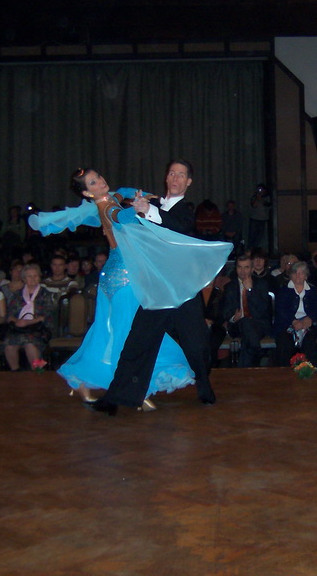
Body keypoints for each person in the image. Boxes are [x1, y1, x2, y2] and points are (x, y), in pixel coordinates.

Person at [32, 166, 229, 409]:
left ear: (189, 181)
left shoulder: (124, 200)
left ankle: (119, 388)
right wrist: (139, 208)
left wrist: (143, 197)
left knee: (142, 335)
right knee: (131, 336)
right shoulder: (107, 205)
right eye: (93, 183)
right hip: (127, 279)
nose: (100, 182)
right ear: (87, 193)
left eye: (98, 177)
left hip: (155, 281)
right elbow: (119, 216)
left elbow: (126, 193)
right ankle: (125, 393)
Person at [91, 159, 232, 414]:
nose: (175, 178)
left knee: (196, 345)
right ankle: (115, 398)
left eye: (181, 175)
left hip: (183, 291)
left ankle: (203, 383)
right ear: (166, 178)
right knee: (137, 343)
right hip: (157, 291)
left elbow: (180, 227)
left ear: (188, 182)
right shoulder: (150, 204)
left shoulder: (186, 211)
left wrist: (148, 210)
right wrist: (127, 215)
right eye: (172, 173)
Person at [221, 254, 272, 367]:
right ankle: (259, 353)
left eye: (246, 267)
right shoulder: (230, 287)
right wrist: (233, 317)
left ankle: (245, 369)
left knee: (247, 342)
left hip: (259, 324)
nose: (242, 271)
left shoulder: (261, 284)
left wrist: (250, 290)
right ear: (236, 269)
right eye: (239, 267)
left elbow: (263, 309)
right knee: (245, 322)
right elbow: (225, 311)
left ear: (252, 269)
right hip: (238, 325)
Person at [273, 261, 317, 370]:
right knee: (284, 343)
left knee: (310, 342)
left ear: (306, 276)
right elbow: (280, 310)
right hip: (287, 324)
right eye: (295, 272)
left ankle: (311, 373)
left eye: (301, 273)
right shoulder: (283, 290)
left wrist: (310, 318)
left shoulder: (314, 291)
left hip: (307, 324)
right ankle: (285, 374)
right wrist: (293, 321)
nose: (298, 275)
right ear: (290, 275)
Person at [3, 263, 54, 371]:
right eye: (29, 276)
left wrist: (28, 322)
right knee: (9, 345)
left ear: (39, 277)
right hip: (19, 329)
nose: (33, 279)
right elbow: (10, 314)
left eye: (35, 276)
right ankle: (15, 372)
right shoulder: (17, 294)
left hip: (39, 328)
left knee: (30, 344)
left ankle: (38, 371)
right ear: (24, 279)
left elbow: (47, 315)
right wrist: (17, 321)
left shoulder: (46, 294)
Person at [249, 182, 271, 250]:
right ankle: (250, 249)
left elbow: (267, 204)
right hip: (254, 219)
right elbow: (253, 205)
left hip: (262, 219)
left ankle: (256, 249)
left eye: (261, 189)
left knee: (260, 237)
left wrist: (260, 198)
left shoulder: (267, 197)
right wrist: (257, 197)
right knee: (252, 236)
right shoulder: (254, 197)